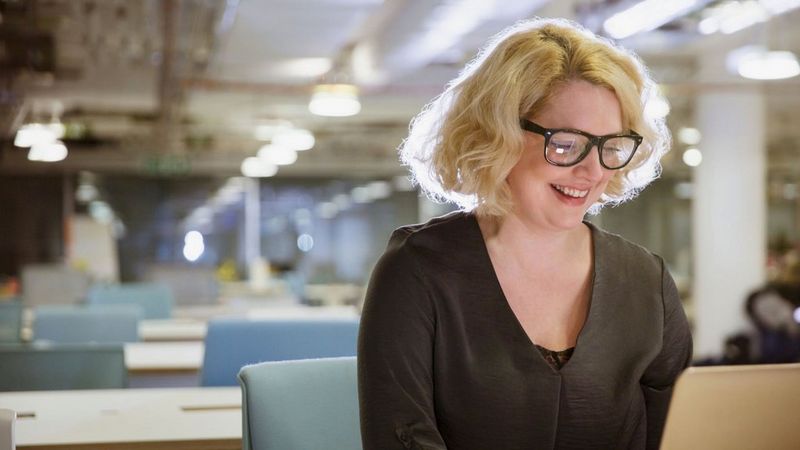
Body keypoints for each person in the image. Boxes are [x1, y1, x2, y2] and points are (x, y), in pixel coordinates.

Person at [357, 18, 693, 450]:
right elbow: (399, 438)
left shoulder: (646, 281)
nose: (592, 171)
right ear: (499, 135)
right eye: (567, 144)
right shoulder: (419, 272)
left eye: (610, 146)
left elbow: (678, 434)